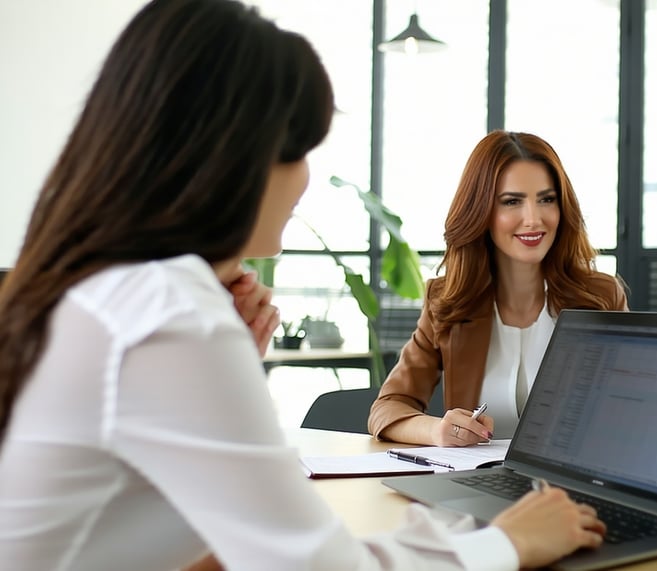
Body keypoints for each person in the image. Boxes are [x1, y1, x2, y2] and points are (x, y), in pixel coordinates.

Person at [0, 2, 606, 570]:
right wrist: (504, 542)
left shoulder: (105, 290)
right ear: (237, 158)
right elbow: (313, 564)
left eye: (545, 200)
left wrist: (224, 364)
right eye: (300, 151)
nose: (306, 179)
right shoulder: (165, 309)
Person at [368, 131, 629, 446]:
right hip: (476, 483)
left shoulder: (601, 297)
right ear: (481, 211)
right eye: (512, 202)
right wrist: (437, 431)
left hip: (571, 486)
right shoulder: (447, 301)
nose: (533, 219)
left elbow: (634, 410)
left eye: (547, 199)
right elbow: (388, 408)